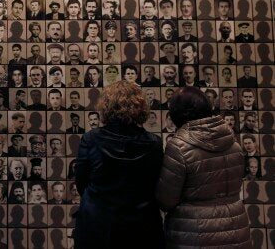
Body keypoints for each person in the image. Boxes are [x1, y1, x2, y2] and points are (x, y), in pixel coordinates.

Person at [156, 87, 250, 248]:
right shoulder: (233, 143)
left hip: (194, 233)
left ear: (177, 114)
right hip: (236, 228)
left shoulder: (178, 146)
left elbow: (166, 200)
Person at [75, 81, 164, 248]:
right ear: (141, 106)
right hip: (142, 226)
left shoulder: (91, 139)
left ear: (106, 107)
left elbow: (81, 184)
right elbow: (156, 185)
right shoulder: (154, 143)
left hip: (97, 226)